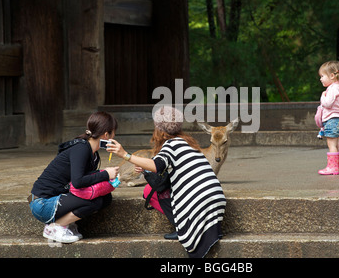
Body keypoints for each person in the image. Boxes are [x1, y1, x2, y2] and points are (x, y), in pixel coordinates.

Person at [107, 106, 226, 258]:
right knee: (156, 189)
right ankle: (198, 228)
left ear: (160, 129)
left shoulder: (171, 145)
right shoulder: (189, 144)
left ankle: (183, 228)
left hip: (200, 200)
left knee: (151, 192)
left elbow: (157, 166)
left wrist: (125, 154)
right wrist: (144, 169)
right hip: (216, 198)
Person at [28, 112, 119, 243]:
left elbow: (83, 178)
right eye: (113, 132)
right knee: (95, 201)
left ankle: (65, 224)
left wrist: (104, 175)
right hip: (42, 203)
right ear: (106, 134)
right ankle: (55, 227)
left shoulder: (92, 153)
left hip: (55, 199)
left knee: (105, 198)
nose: (114, 136)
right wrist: (105, 174)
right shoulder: (81, 148)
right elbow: (78, 182)